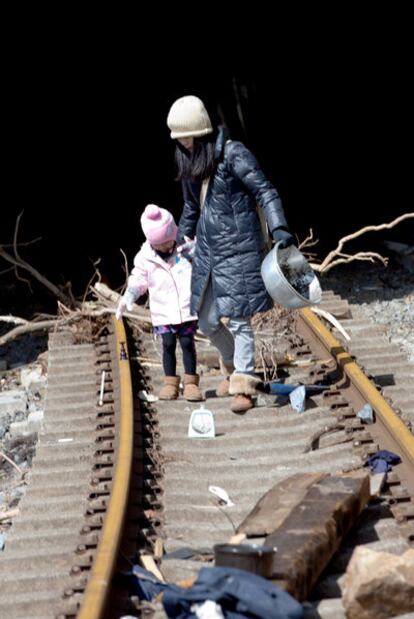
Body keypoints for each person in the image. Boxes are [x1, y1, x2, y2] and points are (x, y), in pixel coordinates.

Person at [166, 95, 295, 413]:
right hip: (208, 254)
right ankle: (234, 366)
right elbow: (192, 207)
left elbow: (264, 189)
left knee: (239, 320)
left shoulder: (233, 153)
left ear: (200, 131)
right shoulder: (190, 160)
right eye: (177, 137)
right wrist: (179, 238)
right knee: (207, 320)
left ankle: (245, 384)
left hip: (239, 250)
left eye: (185, 135)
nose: (182, 142)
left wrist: (279, 226)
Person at [116, 203, 203, 402]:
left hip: (186, 308)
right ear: (151, 241)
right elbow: (138, 279)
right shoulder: (145, 258)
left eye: (168, 241)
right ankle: (170, 382)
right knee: (168, 344)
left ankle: (190, 383)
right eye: (160, 244)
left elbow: (204, 254)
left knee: (188, 343)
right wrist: (129, 295)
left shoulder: (186, 248)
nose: (166, 246)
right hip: (164, 311)